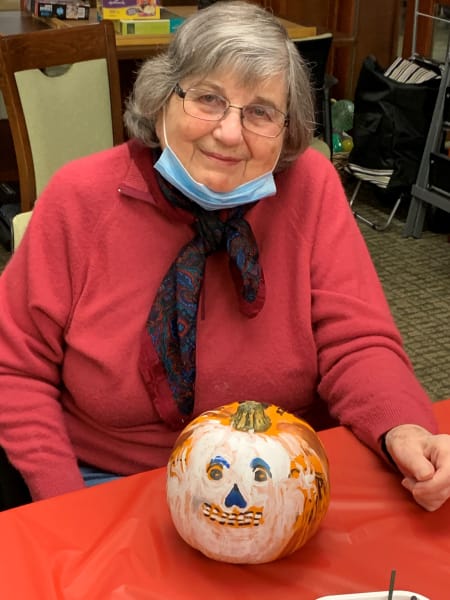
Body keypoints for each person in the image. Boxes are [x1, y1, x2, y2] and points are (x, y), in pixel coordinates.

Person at [0, 0, 449, 511]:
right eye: (207, 99)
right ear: (161, 99)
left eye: (260, 111)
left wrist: (403, 428)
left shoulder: (309, 187)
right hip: (113, 482)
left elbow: (357, 343)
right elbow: (14, 370)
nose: (229, 133)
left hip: (278, 480)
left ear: (289, 127)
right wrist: (65, 509)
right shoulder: (80, 198)